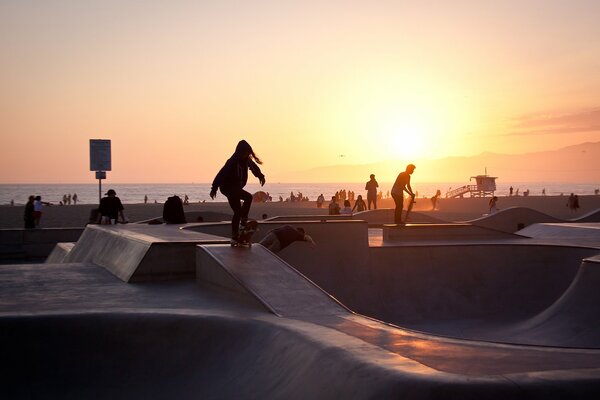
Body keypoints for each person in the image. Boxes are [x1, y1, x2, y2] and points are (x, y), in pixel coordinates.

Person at [210, 140, 266, 244]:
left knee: (237, 212)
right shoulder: (232, 161)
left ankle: (235, 235)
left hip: (235, 188)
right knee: (248, 197)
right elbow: (221, 174)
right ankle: (243, 221)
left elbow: (254, 168)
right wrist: (214, 188)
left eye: (248, 153)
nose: (247, 155)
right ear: (240, 151)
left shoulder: (247, 160)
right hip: (227, 188)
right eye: (246, 153)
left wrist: (261, 176)